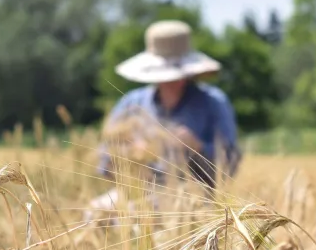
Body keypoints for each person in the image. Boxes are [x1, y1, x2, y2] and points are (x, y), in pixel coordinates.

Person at [97, 20, 242, 190]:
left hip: (195, 201)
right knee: (95, 211)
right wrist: (130, 154)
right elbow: (104, 164)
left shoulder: (213, 102)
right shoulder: (130, 104)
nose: (170, 81)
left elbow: (230, 166)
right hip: (137, 196)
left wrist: (197, 147)